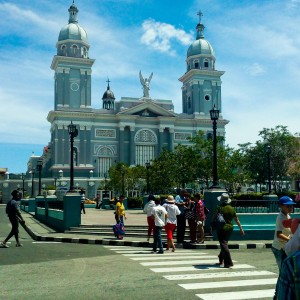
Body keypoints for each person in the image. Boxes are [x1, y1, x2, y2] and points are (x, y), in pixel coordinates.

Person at [212, 193, 244, 268]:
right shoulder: (231, 208)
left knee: (223, 244)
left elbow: (214, 217)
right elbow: (236, 219)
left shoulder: (219, 208)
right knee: (224, 243)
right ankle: (221, 258)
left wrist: (211, 225)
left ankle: (228, 262)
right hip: (230, 228)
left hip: (221, 228)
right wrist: (241, 229)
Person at [271, 196, 295, 270]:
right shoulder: (281, 217)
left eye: (291, 206)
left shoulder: (287, 216)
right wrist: (289, 240)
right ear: (281, 206)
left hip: (285, 247)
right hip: (279, 248)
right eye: (287, 206)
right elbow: (279, 234)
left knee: (288, 269)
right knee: (283, 270)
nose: (290, 208)